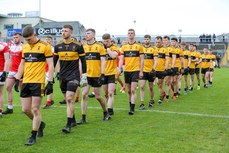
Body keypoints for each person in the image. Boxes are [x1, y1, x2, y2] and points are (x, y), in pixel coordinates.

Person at [14, 26, 54, 145]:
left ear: (35, 34)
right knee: (26, 110)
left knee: (35, 109)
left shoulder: (45, 46)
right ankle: (40, 124)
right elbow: (22, 63)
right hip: (26, 81)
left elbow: (51, 65)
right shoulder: (25, 47)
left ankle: (33, 135)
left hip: (38, 81)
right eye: (26, 39)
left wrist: (50, 82)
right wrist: (17, 78)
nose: (28, 41)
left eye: (30, 39)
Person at [53, 25, 87, 133]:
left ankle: (68, 125)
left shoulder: (77, 45)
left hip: (74, 75)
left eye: (65, 31)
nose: (63, 32)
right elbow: (54, 61)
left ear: (71, 33)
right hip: (62, 76)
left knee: (69, 97)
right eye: (62, 31)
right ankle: (73, 119)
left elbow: (83, 60)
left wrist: (84, 74)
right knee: (68, 100)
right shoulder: (58, 46)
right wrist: (51, 74)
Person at [78, 28, 110, 124]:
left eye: (88, 33)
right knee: (84, 95)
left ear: (94, 34)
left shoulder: (100, 46)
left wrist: (103, 74)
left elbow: (103, 61)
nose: (86, 35)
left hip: (96, 75)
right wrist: (81, 73)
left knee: (98, 96)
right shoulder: (83, 47)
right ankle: (83, 117)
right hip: (86, 75)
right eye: (86, 33)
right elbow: (80, 61)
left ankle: (105, 112)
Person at [118, 29, 144, 115]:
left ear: (134, 34)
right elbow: (121, 59)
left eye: (132, 33)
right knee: (128, 90)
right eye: (129, 33)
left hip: (135, 70)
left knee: (133, 89)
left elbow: (142, 60)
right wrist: (119, 68)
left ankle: (132, 109)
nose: (130, 35)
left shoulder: (139, 46)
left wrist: (141, 71)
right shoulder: (124, 47)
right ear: (127, 35)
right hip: (127, 70)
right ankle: (130, 105)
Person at [3, 32, 22, 114]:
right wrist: (6, 71)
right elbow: (9, 59)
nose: (15, 39)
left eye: (17, 37)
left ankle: (24, 108)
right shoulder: (11, 47)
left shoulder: (24, 47)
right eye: (14, 37)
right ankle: (10, 108)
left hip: (20, 71)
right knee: (8, 87)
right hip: (12, 71)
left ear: (21, 37)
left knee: (22, 90)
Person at [139, 35, 158, 110]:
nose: (146, 40)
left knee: (150, 87)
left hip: (150, 71)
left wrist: (153, 69)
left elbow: (156, 60)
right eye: (145, 39)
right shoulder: (141, 48)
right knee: (142, 86)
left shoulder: (154, 49)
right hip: (143, 71)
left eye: (147, 39)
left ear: (150, 40)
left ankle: (151, 100)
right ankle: (142, 103)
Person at [102, 33, 119, 115]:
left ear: (110, 40)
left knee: (110, 92)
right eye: (104, 41)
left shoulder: (115, 47)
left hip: (112, 72)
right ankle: (108, 107)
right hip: (104, 73)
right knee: (105, 93)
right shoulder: (101, 48)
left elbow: (113, 56)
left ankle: (110, 109)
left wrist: (108, 49)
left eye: (107, 41)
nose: (106, 43)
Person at [154, 36, 169, 105]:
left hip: (161, 69)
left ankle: (161, 98)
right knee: (158, 84)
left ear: (162, 42)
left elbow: (167, 60)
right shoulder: (153, 49)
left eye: (159, 42)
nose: (157, 43)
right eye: (156, 42)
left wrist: (165, 68)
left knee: (160, 84)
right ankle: (163, 93)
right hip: (154, 69)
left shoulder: (165, 50)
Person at [43, 35, 55, 109]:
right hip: (43, 69)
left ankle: (48, 102)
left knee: (48, 85)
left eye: (49, 39)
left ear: (51, 41)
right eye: (46, 39)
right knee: (45, 86)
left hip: (50, 70)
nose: (47, 41)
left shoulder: (53, 49)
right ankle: (51, 100)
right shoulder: (43, 48)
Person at [0, 31, 10, 118]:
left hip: (0, 71)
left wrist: (4, 72)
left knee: (0, 92)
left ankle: (0, 111)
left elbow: (7, 59)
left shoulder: (4, 45)